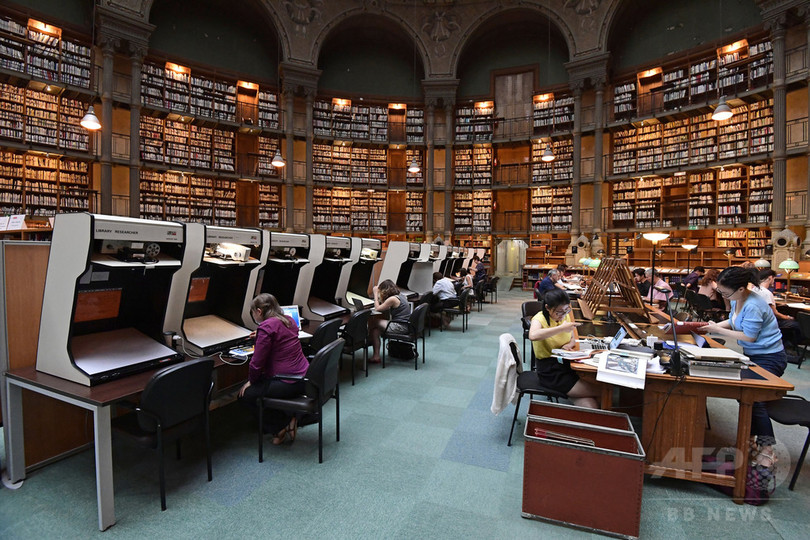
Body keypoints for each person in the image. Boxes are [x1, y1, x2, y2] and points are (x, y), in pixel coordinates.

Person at [703, 266, 787, 468]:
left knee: (755, 400)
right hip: (755, 354)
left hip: (770, 357)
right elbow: (734, 322)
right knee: (746, 398)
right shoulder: (738, 299)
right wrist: (709, 327)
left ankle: (767, 450)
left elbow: (749, 336)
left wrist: (716, 330)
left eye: (724, 293)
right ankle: (748, 441)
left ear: (741, 289)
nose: (722, 296)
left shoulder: (754, 305)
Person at [238, 293, 309, 445]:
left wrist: (251, 381)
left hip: (287, 381)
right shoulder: (289, 321)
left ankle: (279, 426)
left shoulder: (266, 327)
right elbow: (280, 334)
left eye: (252, 313)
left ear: (258, 311)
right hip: (304, 377)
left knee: (246, 395)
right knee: (262, 386)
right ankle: (289, 420)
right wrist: (261, 334)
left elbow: (256, 364)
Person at [528, 289, 599, 408]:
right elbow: (533, 336)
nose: (563, 315)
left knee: (591, 404)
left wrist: (568, 345)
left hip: (565, 364)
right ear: (547, 308)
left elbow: (572, 338)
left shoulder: (565, 316)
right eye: (559, 312)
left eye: (566, 310)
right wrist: (561, 328)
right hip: (550, 371)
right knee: (603, 391)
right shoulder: (539, 319)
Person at [755, 269, 800, 351]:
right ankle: (789, 347)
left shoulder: (755, 290)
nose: (774, 281)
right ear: (770, 278)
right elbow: (774, 313)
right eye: (774, 279)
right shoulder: (767, 293)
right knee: (797, 324)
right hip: (768, 323)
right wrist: (787, 317)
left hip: (759, 320)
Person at [369, 279, 412, 363]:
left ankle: (366, 340)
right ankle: (376, 356)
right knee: (375, 330)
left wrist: (375, 294)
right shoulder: (400, 295)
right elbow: (385, 305)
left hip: (400, 327)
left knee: (374, 322)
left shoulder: (392, 299)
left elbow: (378, 308)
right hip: (405, 325)